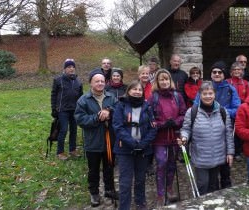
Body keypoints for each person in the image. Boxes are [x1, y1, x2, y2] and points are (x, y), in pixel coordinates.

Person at [177, 81, 234, 195]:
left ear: (214, 94)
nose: (208, 96)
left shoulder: (222, 111)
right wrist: (184, 137)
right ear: (200, 95)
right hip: (200, 156)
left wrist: (230, 152)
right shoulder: (192, 111)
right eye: (205, 93)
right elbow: (186, 129)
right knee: (203, 184)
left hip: (217, 155)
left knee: (214, 185)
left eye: (210, 93)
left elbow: (228, 133)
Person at [194, 61, 240, 189]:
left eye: (220, 72)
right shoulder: (205, 88)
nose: (217, 74)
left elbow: (237, 109)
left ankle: (226, 192)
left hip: (224, 130)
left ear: (224, 74)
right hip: (206, 129)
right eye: (214, 72)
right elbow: (195, 106)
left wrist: (221, 111)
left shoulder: (230, 89)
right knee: (210, 167)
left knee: (225, 169)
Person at [74, 72, 118, 207]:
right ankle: (94, 193)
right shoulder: (83, 100)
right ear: (91, 83)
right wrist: (97, 117)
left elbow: (119, 111)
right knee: (93, 169)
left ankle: (109, 189)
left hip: (109, 139)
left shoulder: (111, 97)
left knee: (109, 166)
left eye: (102, 81)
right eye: (97, 81)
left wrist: (110, 112)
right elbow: (80, 119)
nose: (100, 83)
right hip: (93, 141)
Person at [112, 80, 157, 210]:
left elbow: (153, 127)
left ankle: (140, 203)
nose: (137, 92)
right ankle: (124, 206)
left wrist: (143, 144)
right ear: (129, 91)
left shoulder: (147, 107)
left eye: (139, 90)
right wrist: (132, 143)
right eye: (134, 89)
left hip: (143, 149)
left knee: (140, 179)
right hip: (125, 149)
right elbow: (117, 127)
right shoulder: (120, 106)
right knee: (125, 181)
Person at [147, 69, 186, 207]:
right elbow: (149, 119)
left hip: (174, 136)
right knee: (161, 162)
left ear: (170, 81)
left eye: (166, 79)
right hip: (159, 138)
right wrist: (161, 124)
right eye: (161, 79)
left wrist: (176, 122)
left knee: (171, 164)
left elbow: (183, 114)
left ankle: (169, 188)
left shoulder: (177, 96)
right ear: (157, 82)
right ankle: (160, 193)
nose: (164, 82)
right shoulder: (153, 98)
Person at [51, 59, 83, 160]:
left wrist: (81, 108)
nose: (71, 69)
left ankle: (72, 150)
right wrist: (54, 108)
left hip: (74, 110)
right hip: (62, 110)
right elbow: (53, 94)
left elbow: (81, 96)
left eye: (73, 67)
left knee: (74, 130)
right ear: (65, 69)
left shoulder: (78, 81)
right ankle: (60, 152)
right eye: (69, 67)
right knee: (63, 130)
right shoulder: (58, 80)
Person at [226, 61, 249, 161]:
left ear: (242, 71)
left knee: (239, 132)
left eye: (239, 69)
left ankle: (238, 152)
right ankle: (229, 151)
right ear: (231, 71)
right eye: (235, 69)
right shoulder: (227, 82)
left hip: (242, 110)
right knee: (230, 131)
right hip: (231, 110)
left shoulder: (245, 83)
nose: (237, 71)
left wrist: (243, 104)